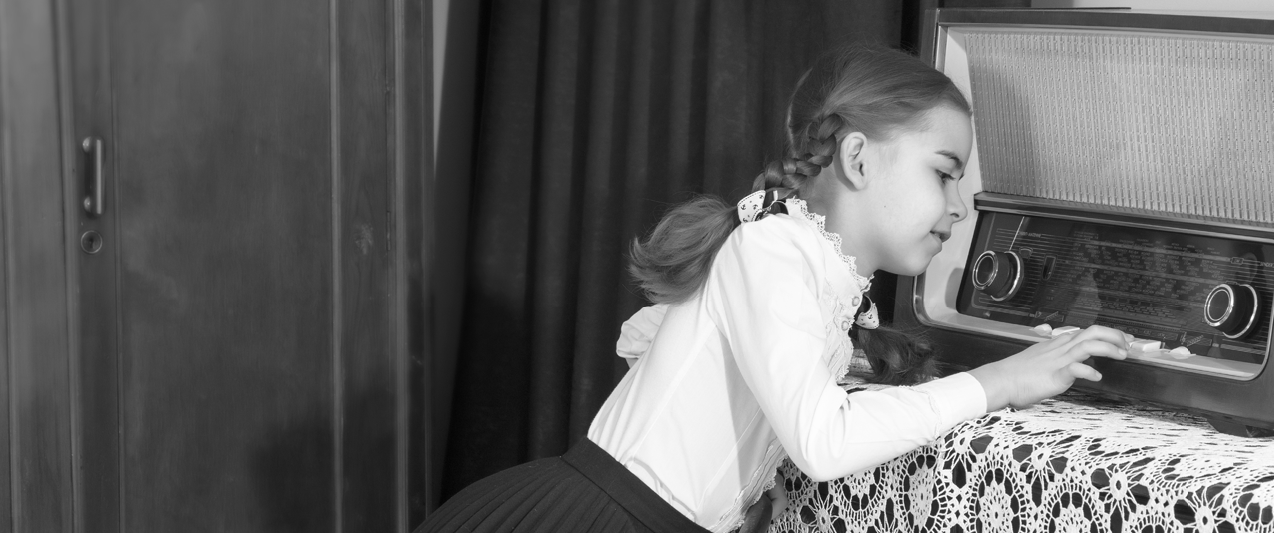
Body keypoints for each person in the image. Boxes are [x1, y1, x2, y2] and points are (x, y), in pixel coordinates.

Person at [416, 43, 1131, 533]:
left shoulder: (818, 277)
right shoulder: (772, 250)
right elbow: (823, 441)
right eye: (944, 171)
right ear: (857, 157)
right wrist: (999, 380)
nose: (959, 204)